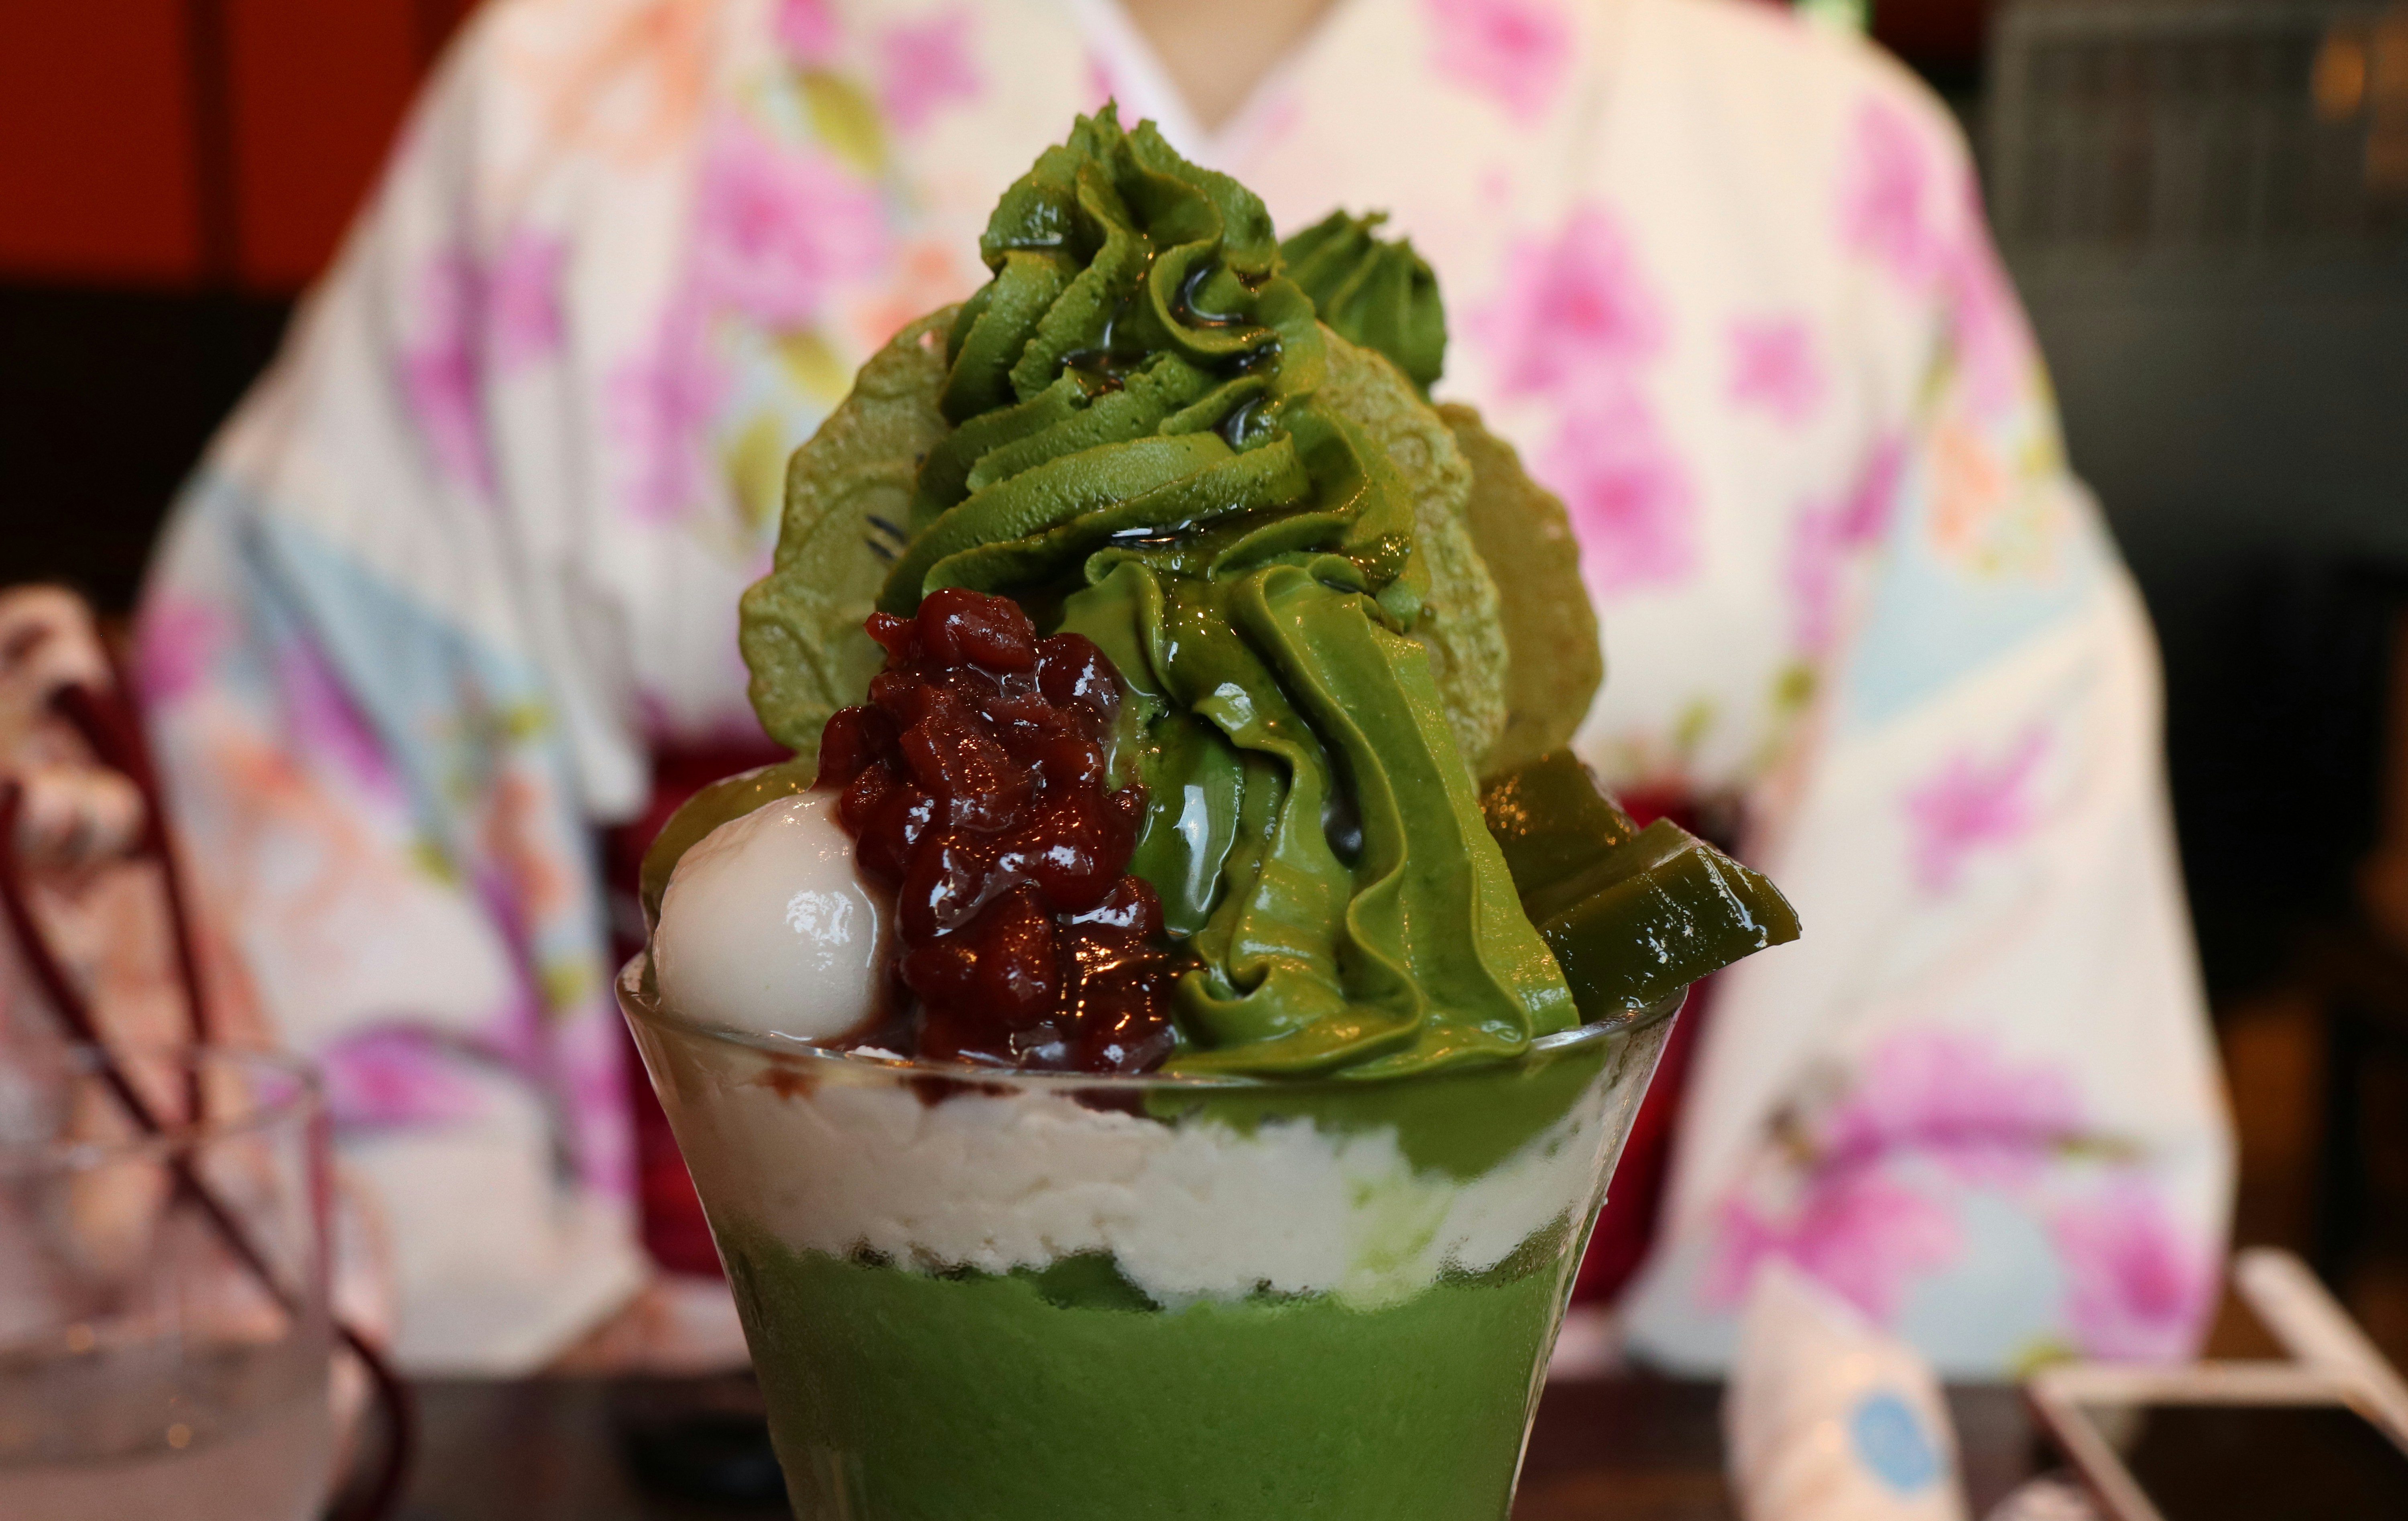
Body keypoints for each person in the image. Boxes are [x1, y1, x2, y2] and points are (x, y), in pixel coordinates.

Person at [132, 0, 2231, 1374]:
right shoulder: (577, 107)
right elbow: (286, 1001)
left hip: (1562, 1443)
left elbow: (2007, 1112)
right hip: (733, 1432)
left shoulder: (1820, 170)